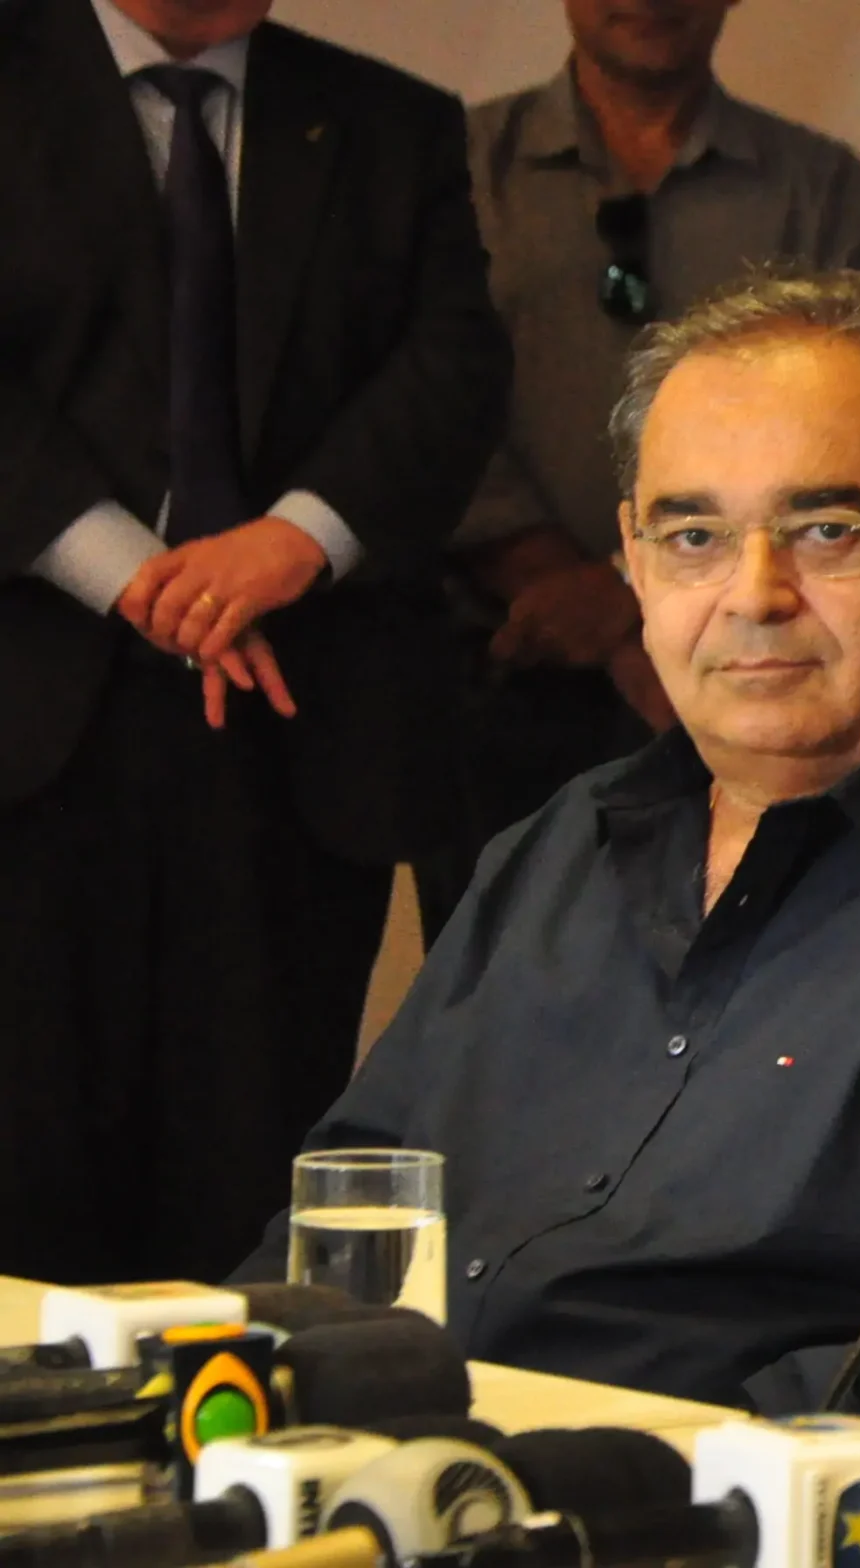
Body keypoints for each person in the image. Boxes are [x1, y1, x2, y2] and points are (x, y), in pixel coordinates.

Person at [240, 272, 860, 1495]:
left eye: (828, 530)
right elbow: (342, 1229)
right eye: (693, 536)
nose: (754, 593)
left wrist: (551, 1492)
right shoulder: (556, 848)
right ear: (634, 564)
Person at [0, 0, 510, 1285]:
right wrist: (138, 574)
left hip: (297, 746)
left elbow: (454, 367)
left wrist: (291, 540)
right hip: (32, 736)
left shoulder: (392, 123)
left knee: (247, 1209)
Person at [417, 0, 860, 941]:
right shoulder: (455, 168)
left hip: (753, 680)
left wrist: (633, 590)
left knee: (751, 989)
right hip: (503, 672)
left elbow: (848, 430)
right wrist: (587, 596)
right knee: (509, 997)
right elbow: (425, 405)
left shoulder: (820, 189)